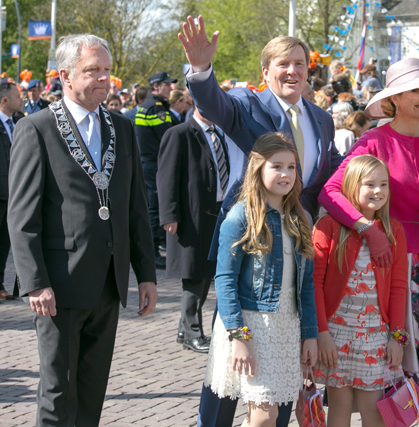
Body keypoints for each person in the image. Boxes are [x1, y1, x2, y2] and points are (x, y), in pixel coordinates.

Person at [179, 15, 341, 427]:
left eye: (300, 64)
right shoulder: (247, 104)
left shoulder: (321, 119)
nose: (292, 71)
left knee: (281, 385)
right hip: (250, 244)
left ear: (309, 71)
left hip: (296, 246)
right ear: (265, 72)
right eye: (283, 64)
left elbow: (333, 174)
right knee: (231, 372)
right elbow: (213, 103)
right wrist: (200, 72)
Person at [8, 34, 157, 426]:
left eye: (107, 70)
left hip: (108, 280)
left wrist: (145, 275)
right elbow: (21, 216)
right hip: (59, 284)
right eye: (92, 70)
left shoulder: (121, 128)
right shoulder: (37, 128)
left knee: (92, 389)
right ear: (66, 76)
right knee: (58, 391)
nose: (103, 79)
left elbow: (134, 206)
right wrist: (35, 281)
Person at [318, 57, 419, 411]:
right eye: (415, 91)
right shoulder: (373, 140)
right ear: (394, 98)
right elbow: (330, 192)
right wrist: (367, 229)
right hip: (389, 264)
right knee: (393, 368)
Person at [204, 132, 318, 426]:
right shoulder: (241, 216)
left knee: (275, 414)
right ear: (258, 168)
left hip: (287, 326)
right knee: (265, 415)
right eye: (276, 166)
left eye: (291, 167)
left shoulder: (300, 217)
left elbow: (305, 284)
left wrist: (310, 334)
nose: (285, 174)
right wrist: (238, 336)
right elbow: (225, 279)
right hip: (252, 326)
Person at [313, 155, 408, 426]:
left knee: (374, 408)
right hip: (335, 335)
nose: (378, 191)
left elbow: (399, 288)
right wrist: (322, 333)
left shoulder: (394, 232)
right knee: (340, 405)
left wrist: (397, 337)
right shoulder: (328, 227)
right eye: (369, 184)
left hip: (376, 336)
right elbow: (314, 285)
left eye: (384, 184)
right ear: (351, 186)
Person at [157, 107, 230, 353]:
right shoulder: (179, 133)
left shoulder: (219, 134)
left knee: (204, 274)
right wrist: (169, 214)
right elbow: (166, 176)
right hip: (191, 216)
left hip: (215, 214)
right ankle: (193, 333)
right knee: (193, 275)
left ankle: (184, 329)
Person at [135, 71, 180, 269]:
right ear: (155, 86)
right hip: (153, 163)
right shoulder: (156, 108)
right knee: (154, 208)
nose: (171, 88)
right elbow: (168, 137)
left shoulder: (151, 106)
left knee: (153, 207)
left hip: (149, 163)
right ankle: (153, 254)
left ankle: (154, 251)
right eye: (166, 85)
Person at [0, 82, 22, 300]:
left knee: (5, 242)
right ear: (4, 100)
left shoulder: (17, 122)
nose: (21, 100)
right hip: (0, 191)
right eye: (17, 96)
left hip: (11, 193)